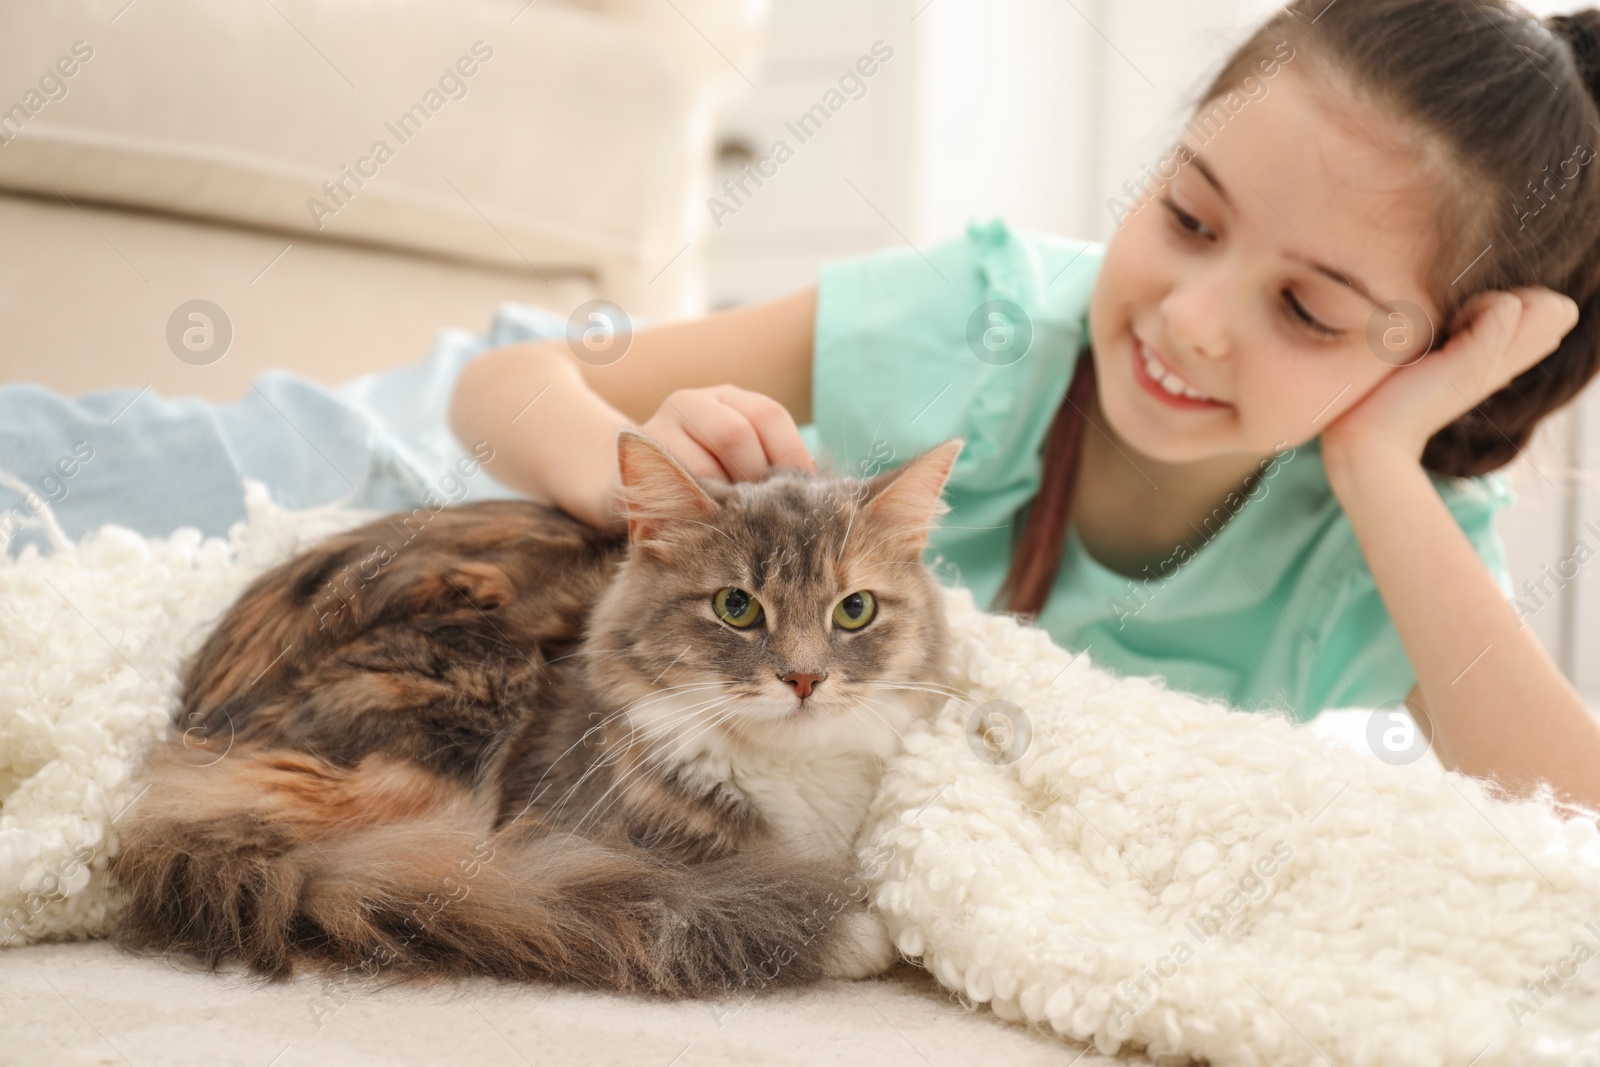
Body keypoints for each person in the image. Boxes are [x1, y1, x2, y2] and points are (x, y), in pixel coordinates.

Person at [449, 0, 1600, 813]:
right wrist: (619, 472)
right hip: (406, 476)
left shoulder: (1383, 533)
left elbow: (1572, 816)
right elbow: (502, 383)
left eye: (1305, 307)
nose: (1192, 317)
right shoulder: (978, 325)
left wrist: (1382, 455)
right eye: (1188, 218)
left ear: (1435, 351)